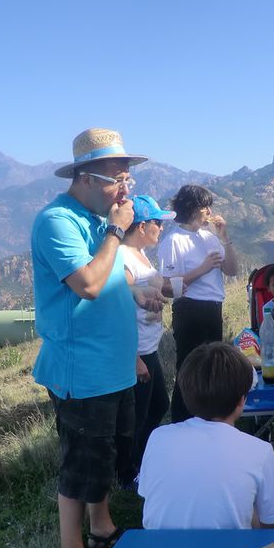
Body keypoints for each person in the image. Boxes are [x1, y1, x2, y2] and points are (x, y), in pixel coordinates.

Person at [31, 127, 163, 548]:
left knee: (107, 452)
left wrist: (133, 294)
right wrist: (115, 230)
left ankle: (102, 525)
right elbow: (86, 284)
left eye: (127, 177)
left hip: (113, 364)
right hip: (81, 369)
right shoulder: (58, 222)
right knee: (81, 462)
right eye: (116, 177)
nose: (125, 187)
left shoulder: (97, 215)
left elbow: (105, 280)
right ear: (84, 178)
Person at [138, 342, 274, 529]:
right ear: (242, 400)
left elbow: (148, 496)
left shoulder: (158, 437)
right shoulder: (261, 451)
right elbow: (272, 526)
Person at [159, 184, 239, 422]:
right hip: (189, 308)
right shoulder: (173, 240)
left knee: (212, 368)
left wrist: (225, 238)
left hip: (214, 307)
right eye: (206, 206)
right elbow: (167, 284)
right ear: (193, 208)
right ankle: (182, 422)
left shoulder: (210, 238)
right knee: (189, 368)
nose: (209, 211)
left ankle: (210, 419)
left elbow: (232, 270)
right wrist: (202, 268)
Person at [118, 195, 175, 488]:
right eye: (157, 222)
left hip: (149, 346)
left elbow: (144, 288)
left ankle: (139, 462)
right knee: (138, 416)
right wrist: (134, 357)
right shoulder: (124, 257)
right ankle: (128, 475)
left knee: (157, 406)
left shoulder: (141, 253)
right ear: (141, 226)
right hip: (138, 349)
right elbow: (123, 295)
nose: (160, 228)